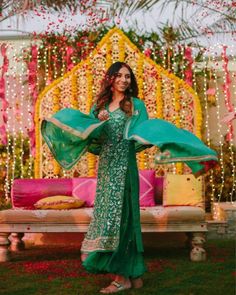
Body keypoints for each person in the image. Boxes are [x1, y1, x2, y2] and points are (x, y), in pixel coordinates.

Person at [41, 61, 218, 294]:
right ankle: (133, 276)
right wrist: (100, 124)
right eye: (120, 76)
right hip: (106, 171)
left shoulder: (135, 105)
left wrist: (141, 142)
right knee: (110, 219)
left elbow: (142, 136)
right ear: (111, 79)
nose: (124, 80)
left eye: (128, 77)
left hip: (125, 169)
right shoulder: (100, 107)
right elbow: (94, 145)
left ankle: (121, 278)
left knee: (122, 220)